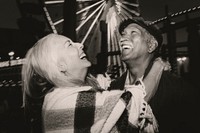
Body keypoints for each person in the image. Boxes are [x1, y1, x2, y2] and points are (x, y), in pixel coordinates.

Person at [22, 33, 170, 133]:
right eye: (69, 45)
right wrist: (158, 66)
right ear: (60, 66)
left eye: (133, 33)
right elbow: (135, 101)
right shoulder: (68, 103)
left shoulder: (58, 96)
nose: (80, 44)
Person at [109, 17, 200, 133]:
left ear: (151, 45)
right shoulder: (113, 88)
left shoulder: (178, 90)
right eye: (123, 34)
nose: (122, 39)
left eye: (133, 33)